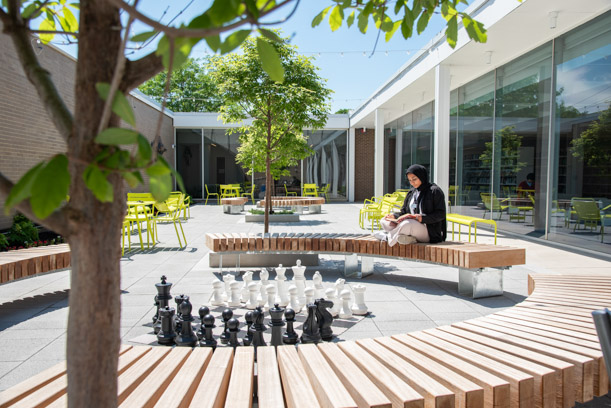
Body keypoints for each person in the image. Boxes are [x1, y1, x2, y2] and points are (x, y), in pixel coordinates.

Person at [374, 164, 447, 246]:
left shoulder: (434, 191)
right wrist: (394, 216)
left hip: (429, 231)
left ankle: (388, 237)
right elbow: (404, 212)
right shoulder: (412, 192)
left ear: (422, 176)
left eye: (414, 179)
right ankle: (409, 238)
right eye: (409, 180)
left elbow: (440, 214)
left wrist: (421, 218)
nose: (412, 183)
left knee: (407, 224)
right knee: (384, 221)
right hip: (411, 226)